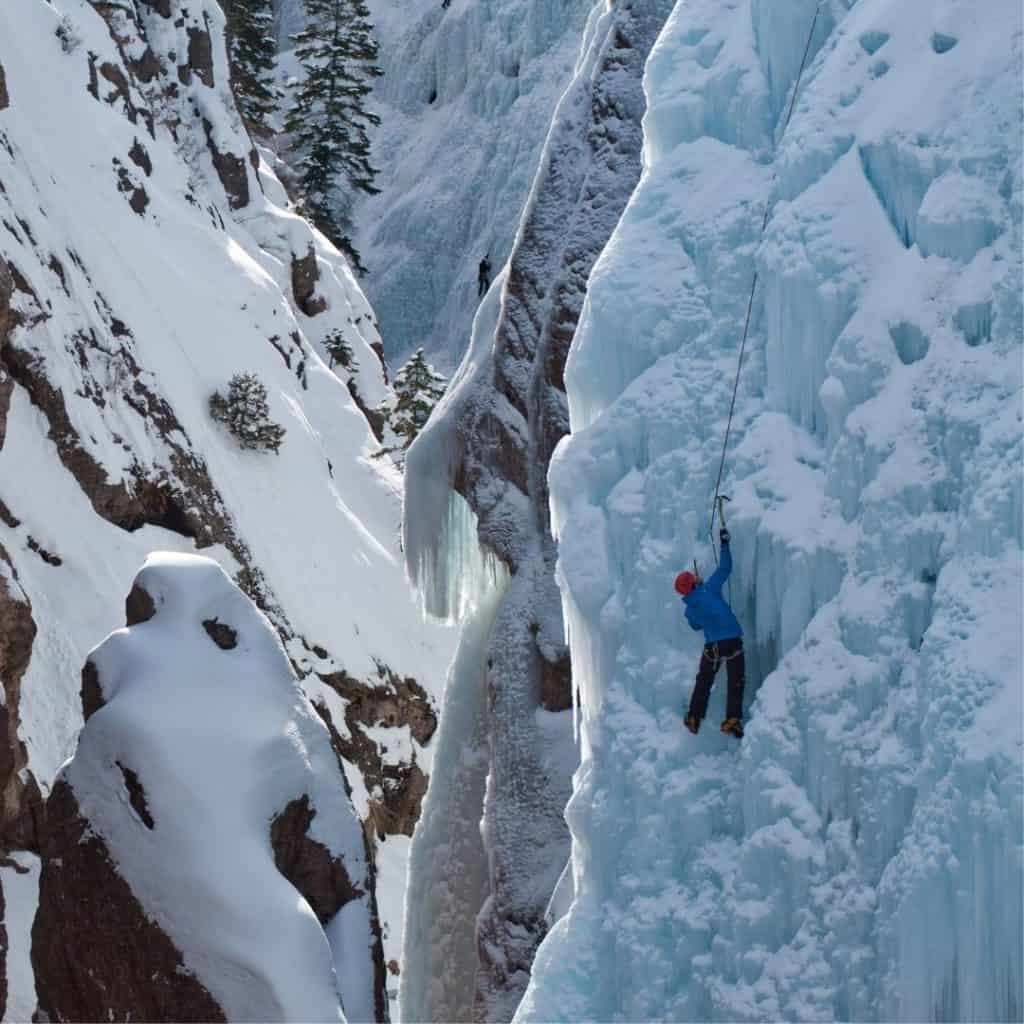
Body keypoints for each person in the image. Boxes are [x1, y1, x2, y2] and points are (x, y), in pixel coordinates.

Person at [675, 527, 745, 738]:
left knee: (704, 679)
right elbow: (725, 568)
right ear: (693, 583)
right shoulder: (710, 588)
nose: (697, 577)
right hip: (731, 641)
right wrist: (724, 543)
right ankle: (732, 719)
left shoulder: (690, 610)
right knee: (736, 680)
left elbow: (696, 626)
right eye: (693, 577)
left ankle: (694, 717)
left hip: (712, 647)